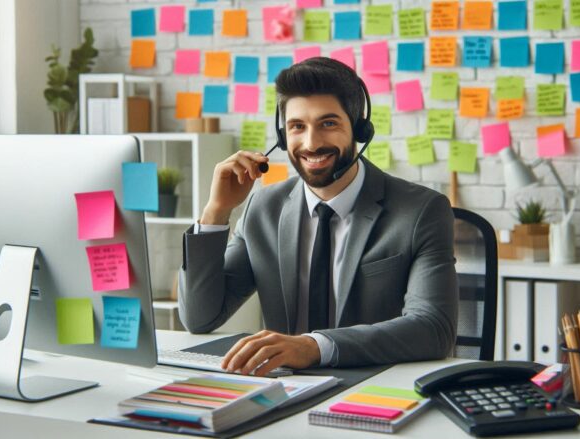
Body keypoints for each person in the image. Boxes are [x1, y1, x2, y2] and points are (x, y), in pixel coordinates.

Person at [178, 57, 458, 377]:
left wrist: (314, 347)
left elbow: (434, 329)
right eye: (298, 126)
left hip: (372, 385)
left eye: (328, 123)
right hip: (283, 389)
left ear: (359, 129)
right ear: (283, 136)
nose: (311, 144)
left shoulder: (422, 211)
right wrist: (216, 212)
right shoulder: (263, 209)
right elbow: (200, 318)